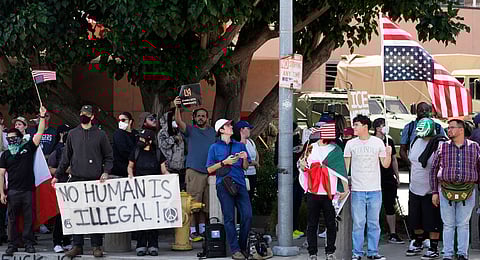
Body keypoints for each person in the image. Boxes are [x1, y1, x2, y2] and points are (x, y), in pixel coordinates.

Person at [51, 105, 114, 258]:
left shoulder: (100, 135)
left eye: (86, 113)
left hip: (94, 181)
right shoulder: (72, 134)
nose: (83, 115)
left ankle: (96, 246)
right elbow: (65, 158)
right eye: (81, 113)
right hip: (77, 179)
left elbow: (109, 157)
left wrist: (106, 172)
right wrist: (57, 175)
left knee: (95, 214)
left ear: (92, 117)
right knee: (76, 214)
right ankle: (77, 245)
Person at [0, 106, 47, 256]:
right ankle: (12, 244)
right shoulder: (6, 155)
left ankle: (28, 243)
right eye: (9, 138)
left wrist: (42, 117)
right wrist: (1, 192)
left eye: (14, 137)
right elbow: (1, 174)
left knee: (28, 219)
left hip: (27, 190)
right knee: (12, 220)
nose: (11, 139)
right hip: (13, 191)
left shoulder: (28, 147)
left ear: (20, 137)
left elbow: (39, 133)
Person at [298, 121, 349, 260]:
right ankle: (312, 252)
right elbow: (302, 165)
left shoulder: (336, 150)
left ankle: (330, 251)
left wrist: (344, 189)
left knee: (331, 223)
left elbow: (341, 170)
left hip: (329, 192)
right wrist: (302, 166)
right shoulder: (311, 147)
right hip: (313, 192)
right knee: (312, 224)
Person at [430, 118, 480, 260]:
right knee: (448, 224)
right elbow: (433, 170)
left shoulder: (474, 147)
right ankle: (447, 254)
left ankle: (462, 254)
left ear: (461, 130)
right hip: (445, 189)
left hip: (468, 190)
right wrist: (434, 192)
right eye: (448, 127)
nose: (448, 130)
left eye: (452, 127)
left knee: (463, 224)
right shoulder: (442, 147)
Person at [344, 115, 392, 260]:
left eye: (357, 125)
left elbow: (385, 164)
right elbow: (345, 169)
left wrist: (388, 153)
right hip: (358, 189)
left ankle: (373, 252)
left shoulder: (377, 142)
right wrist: (345, 187)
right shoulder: (350, 144)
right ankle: (357, 253)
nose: (354, 128)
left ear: (365, 126)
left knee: (374, 223)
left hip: (375, 189)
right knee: (358, 223)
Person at [206, 119, 251, 260]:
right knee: (229, 218)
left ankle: (242, 246)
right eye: (228, 125)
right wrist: (223, 163)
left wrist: (244, 158)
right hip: (224, 185)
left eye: (230, 125)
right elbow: (208, 169)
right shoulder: (214, 147)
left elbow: (245, 167)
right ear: (221, 130)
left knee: (247, 215)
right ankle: (235, 249)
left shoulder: (239, 145)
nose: (231, 127)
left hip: (240, 184)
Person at [174, 97, 216, 241]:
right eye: (198, 116)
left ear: (207, 118)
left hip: (210, 171)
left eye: (203, 116)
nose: (200, 118)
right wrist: (177, 107)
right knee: (192, 204)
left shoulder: (213, 132)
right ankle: (192, 231)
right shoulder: (191, 130)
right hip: (194, 171)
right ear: (194, 118)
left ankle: (203, 230)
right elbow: (179, 122)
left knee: (206, 204)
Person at [406, 118, 446, 259]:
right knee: (415, 218)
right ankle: (418, 241)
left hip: (431, 189)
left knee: (432, 219)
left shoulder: (439, 143)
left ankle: (434, 247)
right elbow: (412, 160)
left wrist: (437, 189)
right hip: (414, 187)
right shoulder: (416, 140)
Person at [127, 129, 169, 256]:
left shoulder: (157, 153)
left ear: (149, 141)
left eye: (142, 138)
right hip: (139, 190)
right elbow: (130, 166)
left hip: (154, 191)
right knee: (141, 216)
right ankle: (140, 244)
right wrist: (130, 176)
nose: (140, 140)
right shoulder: (136, 151)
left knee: (153, 217)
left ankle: (153, 244)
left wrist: (170, 177)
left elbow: (163, 170)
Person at [372, 118, 403, 244]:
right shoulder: (372, 141)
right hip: (374, 178)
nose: (385, 128)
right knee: (374, 207)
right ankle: (374, 233)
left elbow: (394, 160)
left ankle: (393, 233)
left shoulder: (389, 140)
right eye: (383, 125)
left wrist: (397, 176)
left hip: (388, 177)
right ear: (378, 128)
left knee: (390, 204)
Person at [47, 124, 72, 253]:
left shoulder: (76, 151)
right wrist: (63, 171)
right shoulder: (57, 151)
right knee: (60, 215)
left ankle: (67, 241)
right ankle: (57, 242)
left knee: (71, 215)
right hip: (61, 186)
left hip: (73, 187)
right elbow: (50, 168)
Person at [400, 102, 445, 167]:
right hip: (415, 167)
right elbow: (402, 149)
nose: (424, 112)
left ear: (430, 111)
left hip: (434, 166)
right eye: (421, 110)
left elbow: (444, 146)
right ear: (416, 111)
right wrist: (410, 163)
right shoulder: (409, 127)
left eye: (426, 110)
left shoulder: (438, 127)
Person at [158, 108, 185, 189]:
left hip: (180, 168)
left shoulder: (179, 131)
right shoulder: (163, 132)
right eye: (173, 118)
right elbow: (163, 145)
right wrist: (174, 139)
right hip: (169, 168)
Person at [233, 121, 259, 201]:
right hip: (242, 174)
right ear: (241, 130)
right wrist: (254, 163)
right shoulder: (236, 144)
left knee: (250, 196)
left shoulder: (250, 141)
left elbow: (256, 153)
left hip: (252, 173)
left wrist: (257, 162)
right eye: (248, 128)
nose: (249, 131)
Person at [112, 112, 138, 177]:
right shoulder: (118, 133)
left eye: (123, 120)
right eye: (119, 120)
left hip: (134, 167)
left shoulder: (135, 133)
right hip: (121, 168)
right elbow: (123, 150)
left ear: (130, 121)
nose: (121, 122)